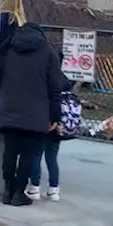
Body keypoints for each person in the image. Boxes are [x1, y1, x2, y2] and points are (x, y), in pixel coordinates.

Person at [0, 20, 66, 206]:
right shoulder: (48, 52)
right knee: (29, 155)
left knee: (10, 152)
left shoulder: (9, 47)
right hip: (36, 114)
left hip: (9, 109)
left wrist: (4, 86)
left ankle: (7, 191)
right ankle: (19, 193)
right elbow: (55, 88)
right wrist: (55, 117)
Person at [27, 71, 73, 202]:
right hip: (59, 126)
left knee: (36, 155)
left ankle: (34, 188)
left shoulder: (45, 78)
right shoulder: (64, 80)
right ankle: (54, 190)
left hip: (44, 123)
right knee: (52, 159)